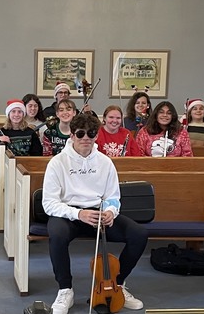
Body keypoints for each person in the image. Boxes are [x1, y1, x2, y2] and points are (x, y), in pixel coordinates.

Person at [42, 113, 146, 314]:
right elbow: (49, 203)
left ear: (96, 135)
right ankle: (65, 290)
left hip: (98, 214)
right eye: (80, 134)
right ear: (72, 135)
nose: (86, 138)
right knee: (57, 235)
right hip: (69, 214)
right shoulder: (57, 162)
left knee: (139, 234)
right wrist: (79, 214)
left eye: (91, 134)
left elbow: (113, 196)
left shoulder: (105, 162)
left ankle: (117, 285)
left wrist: (110, 211)